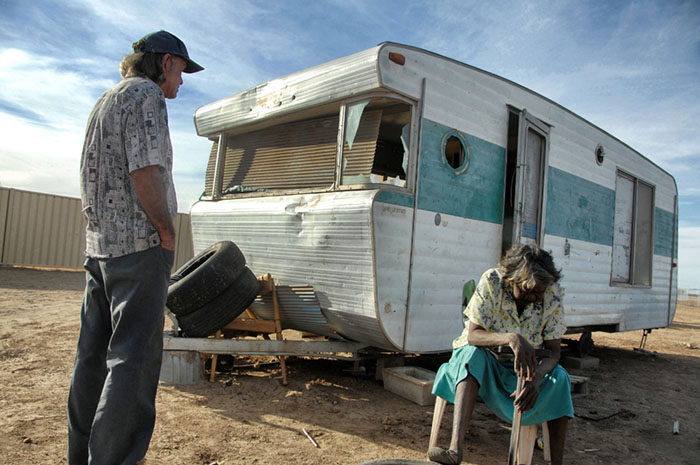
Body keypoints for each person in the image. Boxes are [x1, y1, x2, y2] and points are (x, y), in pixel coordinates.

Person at [67, 31, 203, 464]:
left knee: (92, 359)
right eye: (182, 70)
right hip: (138, 247)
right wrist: (165, 229)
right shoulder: (147, 96)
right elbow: (144, 170)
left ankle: (82, 456)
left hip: (101, 249)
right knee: (133, 360)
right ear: (165, 63)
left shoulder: (106, 99)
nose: (182, 81)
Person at [428, 244, 574, 465]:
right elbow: (473, 336)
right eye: (528, 290)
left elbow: (554, 352)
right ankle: (455, 450)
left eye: (539, 292)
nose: (534, 297)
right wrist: (510, 337)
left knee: (560, 378)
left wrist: (536, 377)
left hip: (525, 369)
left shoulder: (552, 294)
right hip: (488, 361)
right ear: (513, 279)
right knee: (470, 357)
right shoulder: (492, 281)